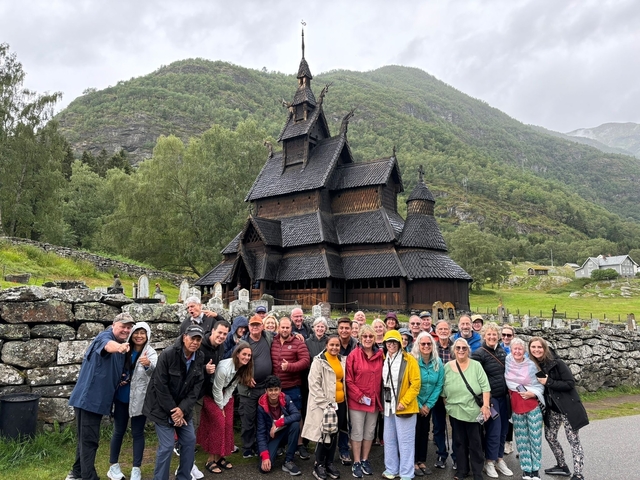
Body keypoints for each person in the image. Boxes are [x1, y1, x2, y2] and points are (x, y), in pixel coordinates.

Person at [66, 313, 134, 480]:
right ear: (113, 325)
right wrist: (118, 348)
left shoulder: (121, 343)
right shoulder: (105, 337)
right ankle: (88, 476)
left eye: (128, 327)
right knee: (90, 441)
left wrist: (121, 378)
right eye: (122, 326)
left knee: (85, 439)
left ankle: (76, 473)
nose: (126, 330)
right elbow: (107, 346)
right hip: (89, 399)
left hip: (94, 399)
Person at [143, 324, 205, 480]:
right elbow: (160, 385)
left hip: (183, 409)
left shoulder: (200, 357)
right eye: (192, 338)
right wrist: (174, 411)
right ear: (184, 337)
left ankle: (184, 476)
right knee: (167, 446)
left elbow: (196, 388)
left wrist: (182, 410)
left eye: (198, 339)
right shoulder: (168, 354)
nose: (195, 342)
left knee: (190, 441)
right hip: (161, 408)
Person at [529, 337, 588, 480]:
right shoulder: (535, 365)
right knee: (550, 436)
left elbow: (570, 383)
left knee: (573, 441)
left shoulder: (558, 363)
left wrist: (549, 381)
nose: (536, 350)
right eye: (533, 347)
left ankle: (578, 474)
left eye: (539, 347)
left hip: (568, 408)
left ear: (545, 348)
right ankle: (562, 466)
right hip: (553, 409)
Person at [107, 322, 157, 480]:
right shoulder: (124, 349)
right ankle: (113, 465)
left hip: (140, 400)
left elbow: (156, 373)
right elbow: (113, 367)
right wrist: (119, 378)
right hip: (122, 398)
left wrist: (149, 365)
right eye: (136, 332)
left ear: (147, 335)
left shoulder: (151, 353)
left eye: (143, 333)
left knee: (138, 433)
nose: (139, 336)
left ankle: (136, 468)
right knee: (118, 432)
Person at [199, 340, 253, 473]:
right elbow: (216, 389)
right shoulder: (224, 368)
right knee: (218, 424)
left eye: (249, 355)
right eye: (244, 354)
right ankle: (210, 460)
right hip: (212, 395)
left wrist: (224, 402)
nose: (246, 357)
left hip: (225, 395)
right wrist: (221, 407)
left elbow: (232, 387)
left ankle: (220, 456)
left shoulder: (244, 367)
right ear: (237, 354)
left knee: (228, 424)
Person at [442, 337, 491, 480]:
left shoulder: (476, 365)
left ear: (468, 350)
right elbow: (443, 390)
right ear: (454, 350)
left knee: (475, 443)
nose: (461, 350)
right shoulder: (447, 367)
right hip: (455, 411)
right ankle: (462, 471)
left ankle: (477, 472)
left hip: (473, 412)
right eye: (458, 348)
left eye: (464, 348)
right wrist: (448, 407)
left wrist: (486, 406)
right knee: (459, 442)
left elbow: (485, 387)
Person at [471, 322, 513, 478]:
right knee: (493, 431)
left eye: (494, 334)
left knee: (503, 430)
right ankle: (489, 462)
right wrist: (484, 403)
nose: (492, 337)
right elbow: (476, 380)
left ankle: (499, 459)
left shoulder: (502, 351)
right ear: (484, 336)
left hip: (504, 398)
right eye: (489, 334)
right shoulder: (478, 354)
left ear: (498, 336)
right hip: (491, 399)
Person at [303, 334, 347, 480]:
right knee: (324, 435)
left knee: (334, 434)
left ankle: (329, 463)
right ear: (326, 345)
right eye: (332, 345)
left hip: (340, 404)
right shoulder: (319, 361)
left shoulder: (342, 360)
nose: (334, 347)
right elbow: (314, 385)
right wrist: (326, 404)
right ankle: (319, 464)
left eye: (337, 345)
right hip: (326, 405)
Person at [380, 329, 421, 480]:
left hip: (405, 407)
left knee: (406, 442)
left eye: (394, 341)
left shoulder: (409, 360)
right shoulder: (384, 359)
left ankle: (406, 474)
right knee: (389, 439)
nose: (391, 344)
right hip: (388, 406)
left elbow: (416, 384)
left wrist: (404, 402)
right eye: (388, 342)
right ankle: (391, 469)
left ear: (399, 343)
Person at [345, 325, 384, 478]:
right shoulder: (353, 355)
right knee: (357, 431)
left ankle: (365, 459)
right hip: (358, 401)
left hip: (373, 401)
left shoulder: (381, 355)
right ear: (360, 338)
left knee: (369, 432)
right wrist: (359, 396)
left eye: (370, 336)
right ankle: (356, 462)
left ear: (374, 338)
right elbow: (349, 379)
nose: (368, 339)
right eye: (365, 336)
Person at [271, 317, 311, 459]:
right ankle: (281, 444)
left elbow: (306, 361)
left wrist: (290, 367)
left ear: (291, 328)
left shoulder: (298, 343)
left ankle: (299, 445)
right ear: (278, 328)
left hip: (293, 386)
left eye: (287, 327)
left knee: (297, 416)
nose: (285, 330)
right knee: (277, 416)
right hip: (277, 388)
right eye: (282, 327)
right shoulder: (273, 341)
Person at [504, 338, 545, 480]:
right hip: (516, 406)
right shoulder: (507, 362)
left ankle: (536, 469)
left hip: (532, 405)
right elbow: (508, 382)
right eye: (514, 348)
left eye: (520, 349)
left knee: (535, 438)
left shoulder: (532, 365)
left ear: (524, 351)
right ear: (510, 350)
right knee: (522, 440)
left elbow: (540, 384)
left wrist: (532, 393)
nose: (517, 351)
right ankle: (526, 469)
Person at [238, 314, 274, 458]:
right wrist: (244, 377)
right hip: (248, 389)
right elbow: (235, 363)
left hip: (265, 387)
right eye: (252, 325)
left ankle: (262, 445)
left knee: (265, 418)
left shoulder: (268, 337)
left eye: (257, 325)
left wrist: (297, 335)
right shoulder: (242, 343)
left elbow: (284, 334)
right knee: (248, 419)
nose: (254, 327)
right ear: (248, 327)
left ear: (262, 326)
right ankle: (247, 447)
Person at [411, 332, 444, 477]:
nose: (426, 346)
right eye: (423, 344)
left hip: (428, 405)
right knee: (413, 433)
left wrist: (428, 405)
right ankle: (411, 461)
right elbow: (409, 383)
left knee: (424, 432)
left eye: (429, 344)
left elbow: (439, 384)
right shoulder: (413, 361)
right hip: (414, 403)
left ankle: (421, 460)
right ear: (418, 345)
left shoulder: (438, 362)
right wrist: (418, 404)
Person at [257, 375, 303, 476]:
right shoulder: (261, 406)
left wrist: (278, 423)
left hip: (284, 433)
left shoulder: (285, 398)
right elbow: (260, 432)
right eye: (270, 390)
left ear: (280, 390)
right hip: (272, 438)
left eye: (276, 390)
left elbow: (297, 415)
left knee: (295, 425)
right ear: (266, 391)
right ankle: (273, 451)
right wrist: (265, 456)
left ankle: (288, 461)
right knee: (264, 469)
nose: (273, 393)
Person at [432, 320, 456, 469]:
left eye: (445, 328)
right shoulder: (432, 347)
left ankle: (457, 456)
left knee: (456, 425)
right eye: (440, 329)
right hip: (436, 392)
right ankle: (441, 453)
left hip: (453, 392)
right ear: (436, 330)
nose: (443, 331)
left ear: (450, 330)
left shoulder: (456, 347)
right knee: (439, 425)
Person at [337, 317, 357, 465]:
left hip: (353, 385)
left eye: (347, 328)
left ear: (351, 329)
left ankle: (345, 448)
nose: (344, 330)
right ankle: (330, 449)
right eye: (341, 328)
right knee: (338, 419)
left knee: (349, 421)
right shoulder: (333, 343)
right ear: (338, 329)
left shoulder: (357, 345)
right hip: (336, 388)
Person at [500, 324, 516, 454]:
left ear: (513, 336)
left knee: (511, 416)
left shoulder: (516, 349)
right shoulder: (497, 348)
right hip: (501, 385)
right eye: (504, 335)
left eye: (508, 335)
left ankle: (508, 442)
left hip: (513, 386)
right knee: (502, 415)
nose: (506, 337)